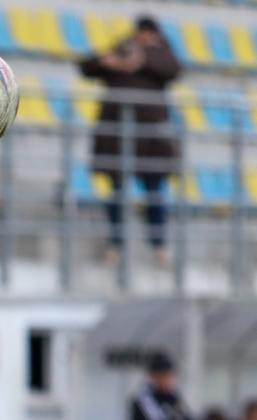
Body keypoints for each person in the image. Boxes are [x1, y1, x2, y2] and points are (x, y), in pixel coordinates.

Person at [78, 16, 182, 265]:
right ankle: (116, 245)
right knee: (117, 194)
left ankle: (159, 246)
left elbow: (173, 70)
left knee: (154, 193)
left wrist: (143, 59)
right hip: (117, 136)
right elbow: (87, 67)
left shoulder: (163, 56)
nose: (144, 37)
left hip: (151, 140)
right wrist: (112, 61)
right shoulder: (123, 47)